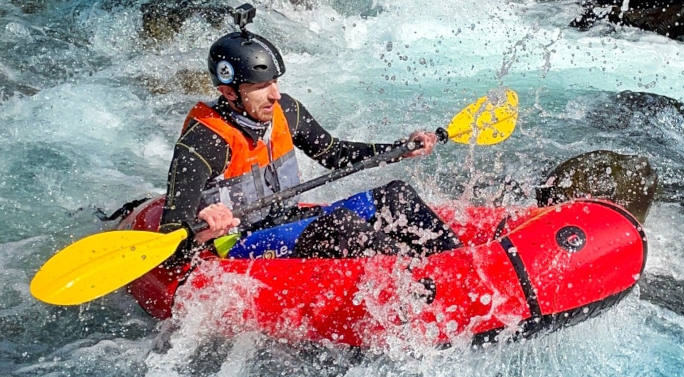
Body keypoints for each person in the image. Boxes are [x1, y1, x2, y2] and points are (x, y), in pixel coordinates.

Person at [158, 24, 461, 260]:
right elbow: (171, 238)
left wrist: (398, 149)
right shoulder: (202, 142)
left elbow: (336, 154)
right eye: (262, 87)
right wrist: (200, 231)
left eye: (275, 82)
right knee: (341, 224)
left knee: (397, 196)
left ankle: (458, 265)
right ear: (229, 93)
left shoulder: (285, 111)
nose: (275, 94)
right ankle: (422, 287)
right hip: (241, 243)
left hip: (285, 220)